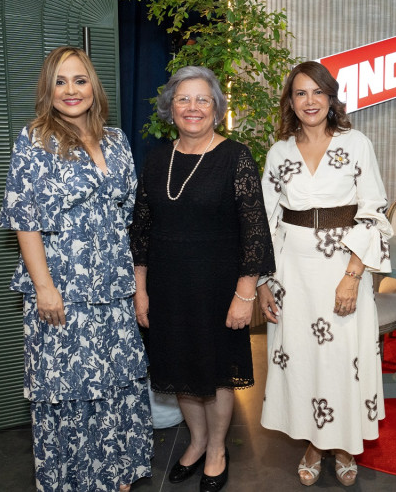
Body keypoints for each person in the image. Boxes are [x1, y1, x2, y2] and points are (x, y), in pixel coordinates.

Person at [0, 46, 152, 492]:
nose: (71, 90)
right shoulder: (34, 140)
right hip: (63, 288)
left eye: (79, 80)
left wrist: (138, 282)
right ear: (48, 90)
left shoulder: (117, 140)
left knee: (116, 380)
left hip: (114, 285)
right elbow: (24, 219)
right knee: (68, 387)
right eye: (60, 82)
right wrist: (44, 288)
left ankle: (117, 472)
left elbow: (130, 216)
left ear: (93, 86)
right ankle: (78, 480)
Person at [129, 66, 275, 492]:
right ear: (170, 108)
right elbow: (140, 231)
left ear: (216, 108)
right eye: (183, 99)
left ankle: (217, 450)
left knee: (217, 374)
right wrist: (140, 290)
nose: (192, 108)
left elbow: (254, 232)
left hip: (218, 290)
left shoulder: (236, 157)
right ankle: (195, 442)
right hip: (167, 288)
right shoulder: (156, 160)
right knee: (181, 371)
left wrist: (244, 294)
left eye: (202, 100)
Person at [257, 61, 393, 487]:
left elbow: (373, 210)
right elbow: (266, 220)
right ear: (290, 102)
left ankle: (344, 444)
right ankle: (314, 443)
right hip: (292, 274)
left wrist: (353, 275)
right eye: (301, 93)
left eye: (318, 92)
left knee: (343, 359)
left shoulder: (356, 144)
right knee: (302, 359)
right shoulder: (278, 152)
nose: (310, 101)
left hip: (343, 268)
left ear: (331, 98)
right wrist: (263, 281)